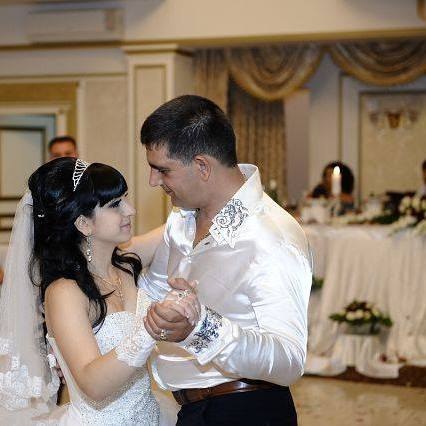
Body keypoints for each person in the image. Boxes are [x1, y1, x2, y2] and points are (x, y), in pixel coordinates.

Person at [138, 95, 312, 425]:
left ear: (202, 166)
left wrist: (200, 328)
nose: (153, 181)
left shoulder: (271, 238)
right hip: (191, 410)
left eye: (163, 170)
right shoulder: (181, 219)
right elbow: (152, 293)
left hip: (247, 410)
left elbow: (289, 359)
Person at [0, 157, 199, 425]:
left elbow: (178, 228)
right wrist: (151, 329)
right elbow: (93, 384)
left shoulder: (125, 267)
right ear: (83, 223)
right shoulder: (65, 292)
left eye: (125, 198)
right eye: (115, 204)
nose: (131, 210)